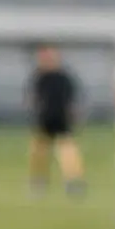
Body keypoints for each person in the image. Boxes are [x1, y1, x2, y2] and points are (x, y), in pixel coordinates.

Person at [26, 44, 85, 199]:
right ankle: (39, 179)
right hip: (45, 118)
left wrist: (73, 115)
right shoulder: (40, 76)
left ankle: (72, 181)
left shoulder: (63, 77)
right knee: (39, 152)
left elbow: (72, 100)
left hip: (61, 118)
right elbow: (34, 98)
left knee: (67, 151)